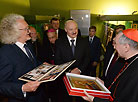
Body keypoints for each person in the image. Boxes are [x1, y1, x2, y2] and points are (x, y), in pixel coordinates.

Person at [0, 14, 48, 102]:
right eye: (26, 29)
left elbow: (32, 63)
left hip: (39, 96)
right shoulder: (5, 53)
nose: (29, 31)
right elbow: (2, 84)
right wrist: (23, 88)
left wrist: (44, 65)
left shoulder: (28, 45)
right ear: (14, 32)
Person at [82, 28, 138, 102]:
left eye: (116, 44)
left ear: (126, 47)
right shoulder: (130, 61)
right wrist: (104, 84)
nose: (114, 47)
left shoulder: (136, 71)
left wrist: (94, 99)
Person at [54, 20, 90, 102]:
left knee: (81, 99)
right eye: (71, 29)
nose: (74, 31)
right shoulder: (59, 42)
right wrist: (69, 71)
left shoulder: (84, 41)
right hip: (65, 77)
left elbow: (87, 58)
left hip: (81, 77)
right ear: (65, 30)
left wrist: (79, 69)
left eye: (76, 28)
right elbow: (57, 60)